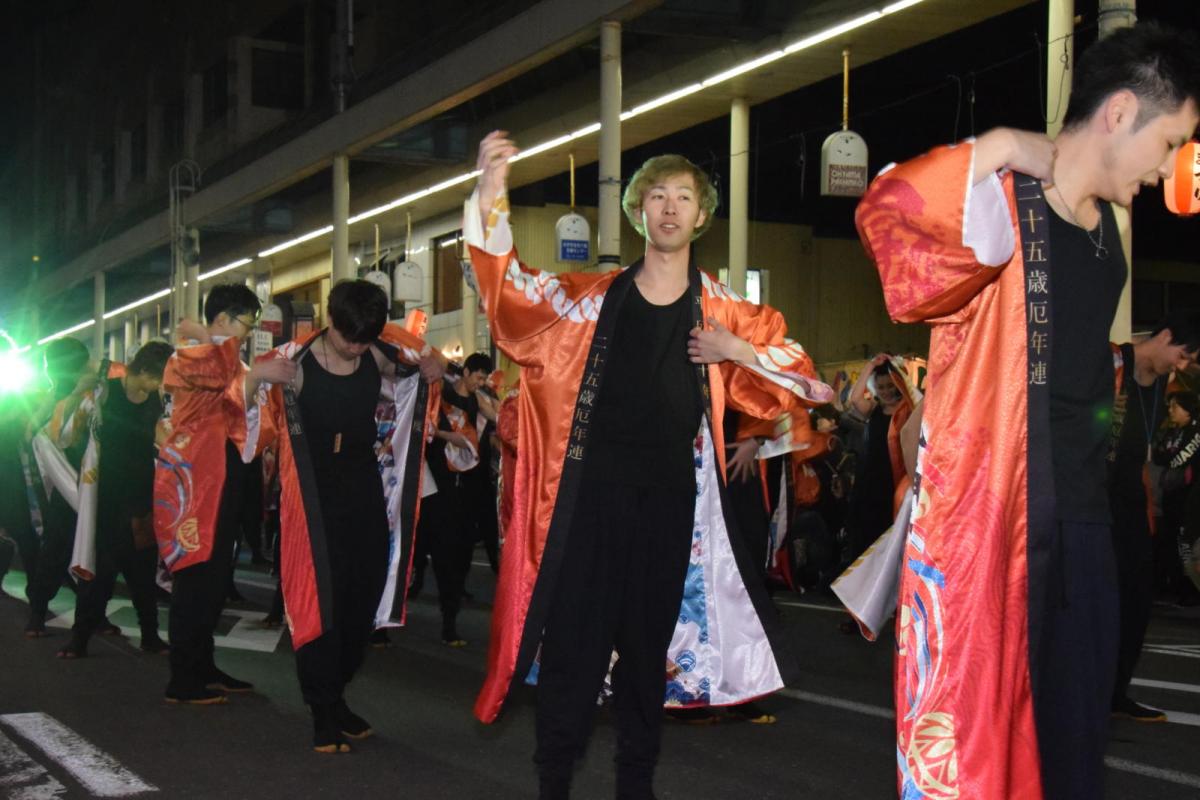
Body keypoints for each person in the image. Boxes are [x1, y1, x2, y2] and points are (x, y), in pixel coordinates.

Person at [856, 23, 1200, 799]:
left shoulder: (1109, 231)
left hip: (1083, 522)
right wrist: (1007, 142)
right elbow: (887, 210)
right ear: (1119, 114)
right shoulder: (1001, 201)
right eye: (1172, 141)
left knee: (1072, 750)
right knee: (980, 749)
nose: (1171, 168)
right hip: (994, 522)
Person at [467, 131, 832, 799]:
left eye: (683, 198)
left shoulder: (723, 309)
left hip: (669, 510)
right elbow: (512, 299)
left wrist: (734, 351)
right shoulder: (590, 300)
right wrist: (491, 198)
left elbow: (810, 383)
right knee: (574, 652)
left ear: (701, 215)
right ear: (639, 212)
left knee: (645, 657)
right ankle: (554, 784)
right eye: (657, 197)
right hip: (590, 505)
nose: (669, 209)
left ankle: (636, 786)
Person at [249, 279, 444, 752]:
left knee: (363, 599)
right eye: (347, 338)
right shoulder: (295, 363)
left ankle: (335, 694)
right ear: (329, 322)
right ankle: (322, 708)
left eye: (364, 340)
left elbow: (417, 376)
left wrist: (434, 369)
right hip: (313, 495)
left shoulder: (376, 354)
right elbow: (245, 412)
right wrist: (256, 379)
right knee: (320, 604)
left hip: (361, 485)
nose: (355, 347)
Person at [154, 283, 291, 704]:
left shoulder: (221, 354)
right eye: (245, 325)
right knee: (196, 578)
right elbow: (224, 383)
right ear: (222, 320)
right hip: (196, 479)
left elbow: (240, 404)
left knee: (214, 579)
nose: (248, 334)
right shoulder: (189, 357)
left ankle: (203, 665)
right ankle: (183, 678)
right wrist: (204, 335)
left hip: (221, 473)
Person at [55, 341, 174, 659]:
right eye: (156, 378)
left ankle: (150, 636)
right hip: (107, 493)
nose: (158, 385)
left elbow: (158, 436)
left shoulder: (154, 399)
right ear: (144, 371)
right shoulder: (104, 392)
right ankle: (79, 639)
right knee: (100, 569)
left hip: (140, 494)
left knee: (143, 570)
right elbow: (73, 431)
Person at [1108, 314, 1200, 722]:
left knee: (1137, 600)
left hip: (1131, 502)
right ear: (1165, 335)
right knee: (1092, 602)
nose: (1180, 366)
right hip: (1091, 499)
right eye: (1181, 355)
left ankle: (1115, 693)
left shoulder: (1161, 383)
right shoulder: (1112, 364)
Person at [24, 338, 104, 637]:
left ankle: (87, 615)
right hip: (69, 485)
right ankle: (38, 612)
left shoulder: (93, 391)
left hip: (88, 482)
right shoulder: (59, 395)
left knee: (82, 550)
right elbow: (40, 432)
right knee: (60, 549)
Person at [1154, 390, 1200, 606]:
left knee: (1185, 540)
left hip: (1188, 495)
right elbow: (1158, 454)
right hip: (1171, 494)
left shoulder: (1195, 431)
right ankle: (1174, 585)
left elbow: (1177, 458)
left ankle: (1188, 587)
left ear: (1188, 411)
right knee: (1170, 538)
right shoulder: (1173, 431)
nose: (1171, 410)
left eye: (1175, 406)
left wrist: (1168, 457)